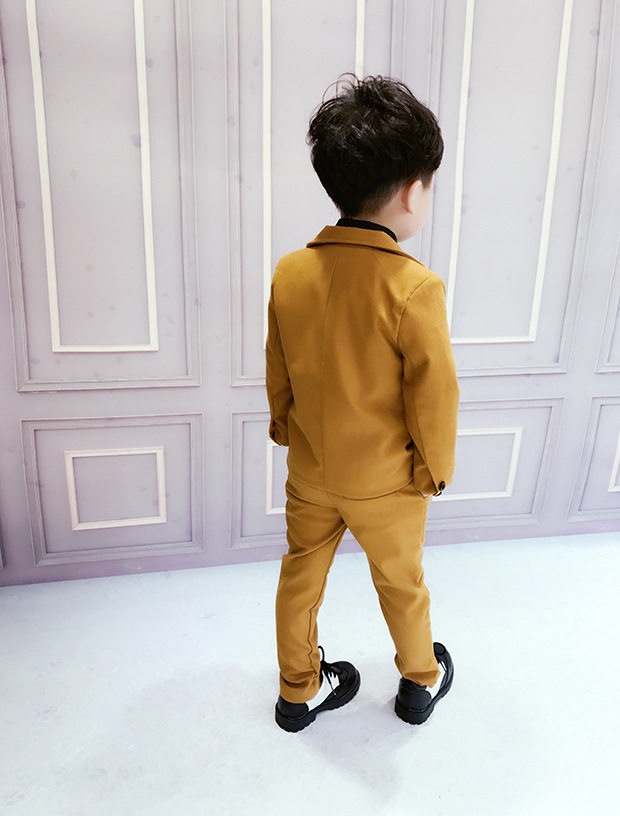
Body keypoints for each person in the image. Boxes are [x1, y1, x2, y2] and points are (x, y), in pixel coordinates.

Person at [266, 75, 459, 733]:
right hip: (386, 480)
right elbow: (434, 394)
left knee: (300, 578)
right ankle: (419, 683)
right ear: (411, 192)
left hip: (311, 470)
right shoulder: (414, 286)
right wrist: (434, 470)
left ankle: (297, 693)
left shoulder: (291, 271)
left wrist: (285, 429)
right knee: (401, 582)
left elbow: (279, 365)